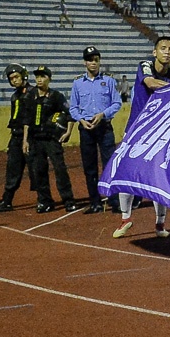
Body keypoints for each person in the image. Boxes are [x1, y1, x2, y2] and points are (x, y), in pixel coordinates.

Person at [112, 36, 170, 239]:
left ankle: (160, 224)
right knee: (126, 173)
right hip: (136, 128)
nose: (167, 52)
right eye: (163, 48)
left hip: (159, 133)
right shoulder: (145, 66)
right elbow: (150, 83)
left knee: (157, 179)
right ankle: (125, 219)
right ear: (155, 52)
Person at [70, 47, 123, 214]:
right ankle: (95, 202)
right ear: (84, 62)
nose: (93, 63)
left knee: (109, 164)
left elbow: (116, 103)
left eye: (96, 60)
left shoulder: (108, 81)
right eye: (89, 60)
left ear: (99, 61)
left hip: (104, 127)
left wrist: (103, 114)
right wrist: (81, 120)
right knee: (90, 167)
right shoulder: (78, 83)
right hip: (86, 129)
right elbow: (73, 108)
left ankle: (115, 201)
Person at [26, 66, 79, 212]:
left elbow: (69, 114)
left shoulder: (56, 96)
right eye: (37, 76)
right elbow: (26, 120)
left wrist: (68, 132)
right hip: (35, 139)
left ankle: (68, 200)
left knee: (60, 169)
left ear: (49, 79)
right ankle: (44, 201)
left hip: (51, 139)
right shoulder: (30, 96)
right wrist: (25, 140)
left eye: (43, 76)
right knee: (39, 171)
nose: (39, 79)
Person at [0, 65, 36, 212]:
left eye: (16, 77)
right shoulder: (15, 96)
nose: (14, 80)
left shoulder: (32, 93)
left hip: (30, 137)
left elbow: (29, 119)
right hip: (16, 136)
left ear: (23, 76)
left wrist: (26, 139)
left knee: (35, 169)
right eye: (11, 79)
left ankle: (44, 199)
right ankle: (7, 200)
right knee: (12, 169)